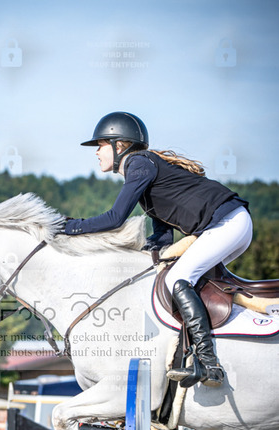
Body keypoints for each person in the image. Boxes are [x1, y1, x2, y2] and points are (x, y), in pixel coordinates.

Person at [61, 111, 253, 389]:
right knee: (179, 279)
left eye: (101, 144)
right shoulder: (144, 170)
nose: (96, 152)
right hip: (231, 224)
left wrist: (68, 227)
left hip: (227, 224)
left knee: (178, 279)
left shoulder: (138, 163)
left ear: (119, 145)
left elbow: (115, 218)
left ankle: (208, 363)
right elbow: (162, 235)